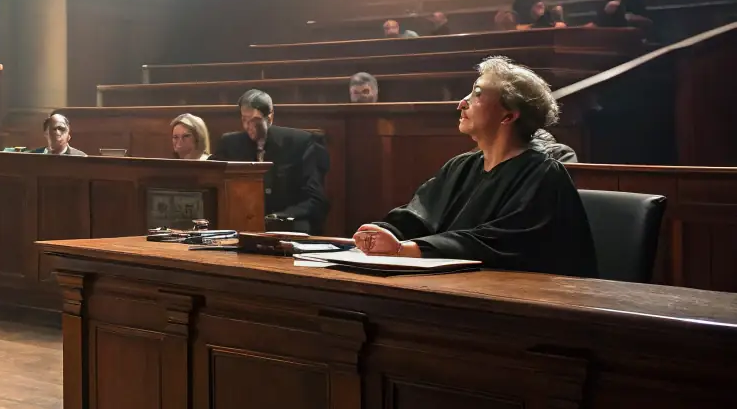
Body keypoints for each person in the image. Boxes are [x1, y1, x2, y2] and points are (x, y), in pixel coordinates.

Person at [351, 57, 597, 276]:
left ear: (508, 116)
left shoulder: (544, 174)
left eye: (477, 94)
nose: (462, 103)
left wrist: (408, 249)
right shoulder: (461, 166)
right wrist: (380, 233)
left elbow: (499, 245)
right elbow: (419, 215)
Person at [213, 90, 329, 232]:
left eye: (255, 121)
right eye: (244, 119)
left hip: (286, 225)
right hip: (240, 224)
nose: (248, 126)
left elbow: (315, 199)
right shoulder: (229, 144)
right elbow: (211, 183)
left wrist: (278, 217)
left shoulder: (301, 143)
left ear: (270, 117)